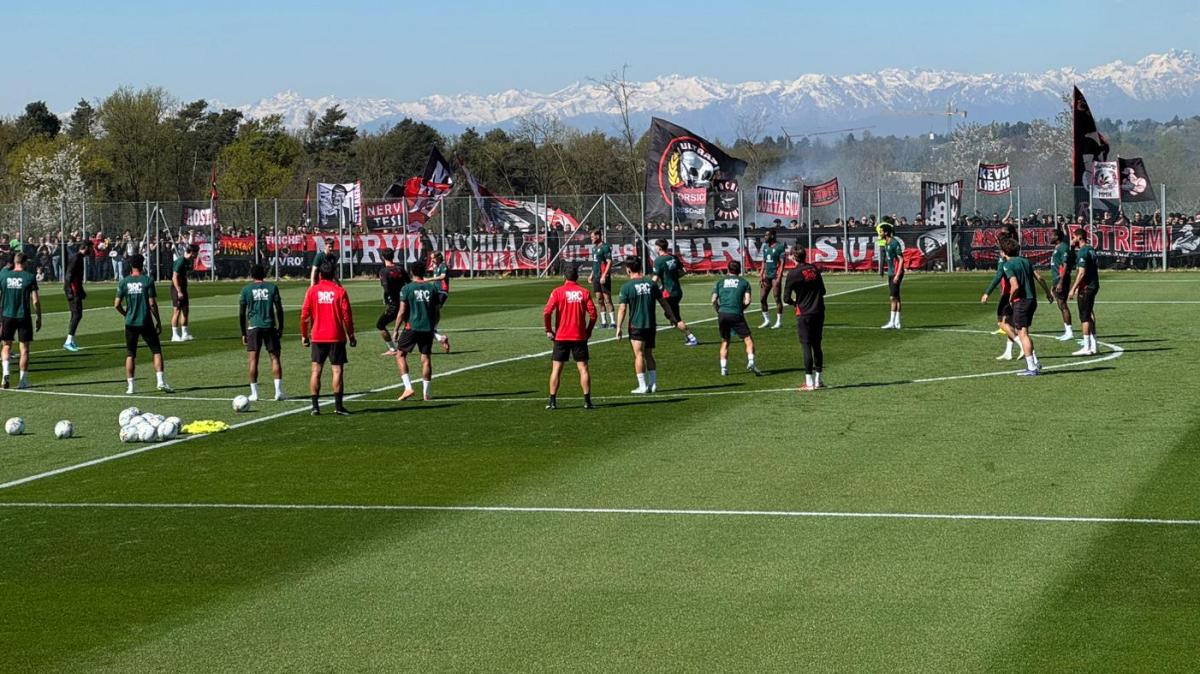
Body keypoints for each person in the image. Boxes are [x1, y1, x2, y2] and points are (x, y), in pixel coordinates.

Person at [615, 256, 681, 394]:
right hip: (651, 325)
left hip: (636, 325)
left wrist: (618, 328)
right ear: (640, 268)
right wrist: (673, 317)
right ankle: (653, 384)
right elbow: (663, 302)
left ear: (628, 270)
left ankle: (642, 386)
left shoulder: (627, 287)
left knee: (639, 355)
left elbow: (622, 309)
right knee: (649, 354)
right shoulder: (651, 284)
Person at [300, 261, 355, 416]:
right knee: (337, 370)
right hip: (336, 336)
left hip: (317, 336)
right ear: (334, 275)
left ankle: (315, 407)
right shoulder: (340, 291)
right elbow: (347, 316)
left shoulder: (312, 291)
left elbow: (304, 316)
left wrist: (304, 335)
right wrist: (351, 335)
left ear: (319, 274)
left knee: (316, 370)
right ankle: (338, 406)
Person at [114, 254, 172, 394]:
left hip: (130, 323)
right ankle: (160, 382)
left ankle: (131, 387)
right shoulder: (147, 280)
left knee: (130, 354)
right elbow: (152, 304)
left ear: (131, 265)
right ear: (142, 264)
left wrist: (126, 314)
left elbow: (116, 304)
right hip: (145, 321)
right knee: (156, 350)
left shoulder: (124, 282)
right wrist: (158, 320)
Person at [543, 265, 597, 410]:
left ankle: (552, 401)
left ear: (564, 277)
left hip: (561, 336)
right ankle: (587, 401)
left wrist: (548, 330)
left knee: (556, 369)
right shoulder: (584, 292)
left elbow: (547, 312)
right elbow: (593, 314)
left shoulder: (557, 292)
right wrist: (589, 330)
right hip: (579, 336)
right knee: (583, 369)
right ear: (577, 277)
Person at [999, 237, 1052, 376]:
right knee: (1025, 333)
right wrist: (1048, 293)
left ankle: (1031, 368)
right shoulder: (1026, 261)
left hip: (1021, 301)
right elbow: (1040, 278)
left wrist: (1010, 299)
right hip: (1032, 300)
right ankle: (1035, 362)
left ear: (1004, 252)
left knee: (1022, 334)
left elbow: (1015, 285)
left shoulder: (1008, 265)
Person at [393, 261, 440, 402]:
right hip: (427, 328)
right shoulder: (432, 288)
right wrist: (433, 325)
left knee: (400, 355)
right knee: (426, 359)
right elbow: (437, 312)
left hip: (411, 327)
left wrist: (395, 329)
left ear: (412, 272)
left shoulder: (407, 288)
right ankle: (426, 394)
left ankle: (408, 387)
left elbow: (402, 312)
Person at [239, 264, 285, 402]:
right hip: (269, 326)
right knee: (275, 358)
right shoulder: (272, 287)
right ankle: (278, 392)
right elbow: (279, 309)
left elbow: (242, 312)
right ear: (264, 274)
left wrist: (243, 332)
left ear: (252, 275)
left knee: (253, 360)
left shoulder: (246, 289)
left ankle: (254, 394)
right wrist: (281, 326)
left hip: (253, 327)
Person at [783, 246, 826, 391]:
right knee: (817, 345)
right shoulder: (813, 269)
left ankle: (809, 382)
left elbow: (786, 298)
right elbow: (823, 291)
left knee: (806, 345)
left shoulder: (793, 274)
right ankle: (819, 380)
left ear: (794, 257)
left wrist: (796, 303)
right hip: (819, 310)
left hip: (804, 313)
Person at [711, 260, 762, 376]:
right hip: (736, 313)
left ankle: (723, 368)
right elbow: (748, 300)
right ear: (739, 270)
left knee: (725, 340)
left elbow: (713, 300)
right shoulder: (744, 282)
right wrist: (741, 308)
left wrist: (718, 310)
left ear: (728, 269)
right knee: (748, 339)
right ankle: (751, 362)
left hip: (722, 313)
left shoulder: (720, 282)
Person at [0, 253, 41, 390]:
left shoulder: (4, 275)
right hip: (23, 316)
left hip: (7, 315)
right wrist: (39, 317)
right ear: (25, 262)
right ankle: (23, 381)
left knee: (6, 346)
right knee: (24, 349)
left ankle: (6, 372)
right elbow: (35, 300)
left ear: (14, 262)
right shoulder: (29, 277)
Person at [980, 227, 1020, 361]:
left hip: (1008, 294)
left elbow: (998, 277)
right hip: (1015, 293)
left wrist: (987, 293)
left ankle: (1021, 343)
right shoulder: (1015, 256)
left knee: (1001, 323)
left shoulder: (1004, 259)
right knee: (1009, 322)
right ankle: (1008, 351)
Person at [650, 239, 698, 346]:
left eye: (655, 246)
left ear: (659, 248)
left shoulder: (659, 261)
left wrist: (649, 287)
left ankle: (691, 337)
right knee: (669, 314)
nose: (655, 248)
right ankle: (685, 334)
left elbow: (655, 278)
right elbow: (683, 272)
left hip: (668, 293)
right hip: (677, 291)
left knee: (675, 318)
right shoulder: (673, 257)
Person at [1069, 228, 1100, 356]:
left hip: (1086, 287)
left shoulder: (1082, 251)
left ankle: (1087, 347)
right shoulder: (1091, 249)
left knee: (1084, 317)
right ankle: (1094, 345)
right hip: (1094, 285)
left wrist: (1073, 288)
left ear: (1079, 237)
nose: (1072, 240)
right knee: (1089, 313)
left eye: (1074, 237)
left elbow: (1081, 272)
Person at [375, 248, 410, 355]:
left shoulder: (384, 271)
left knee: (380, 325)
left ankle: (392, 348)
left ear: (382, 257)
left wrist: (387, 299)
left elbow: (386, 288)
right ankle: (437, 338)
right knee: (410, 324)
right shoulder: (400, 269)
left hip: (394, 304)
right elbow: (409, 283)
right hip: (406, 301)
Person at [63, 238, 91, 352]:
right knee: (77, 315)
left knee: (76, 315)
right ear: (85, 247)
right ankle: (68, 341)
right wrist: (69, 291)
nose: (91, 251)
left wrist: (81, 290)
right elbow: (69, 276)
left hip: (76, 290)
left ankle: (71, 340)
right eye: (90, 248)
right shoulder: (76, 258)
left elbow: (76, 278)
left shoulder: (79, 258)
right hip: (73, 291)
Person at [1049, 229, 1076, 341]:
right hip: (1057, 279)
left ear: (1057, 237)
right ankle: (1067, 330)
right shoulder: (1057, 248)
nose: (1050, 237)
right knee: (1060, 304)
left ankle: (1069, 331)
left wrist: (1060, 281)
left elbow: (1065, 265)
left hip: (1062, 279)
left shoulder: (1063, 247)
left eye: (1052, 235)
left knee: (1063, 304)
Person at [758, 228, 787, 329]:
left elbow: (782, 263)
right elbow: (764, 261)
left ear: (772, 236)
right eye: (765, 235)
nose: (765, 237)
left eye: (767, 235)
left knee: (777, 298)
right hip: (767, 276)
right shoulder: (765, 247)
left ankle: (779, 322)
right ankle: (767, 320)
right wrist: (761, 273)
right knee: (762, 298)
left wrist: (779, 276)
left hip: (775, 276)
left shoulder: (780, 247)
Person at [169, 244, 197, 342]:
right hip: (177, 289)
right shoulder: (181, 261)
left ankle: (185, 333)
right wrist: (179, 291)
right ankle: (175, 335)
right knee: (177, 311)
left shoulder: (187, 261)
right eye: (196, 252)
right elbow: (174, 277)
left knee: (185, 311)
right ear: (192, 252)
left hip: (183, 288)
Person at [587, 229, 614, 328]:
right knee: (599, 299)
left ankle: (613, 321)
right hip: (596, 277)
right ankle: (603, 321)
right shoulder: (594, 248)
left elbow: (609, 262)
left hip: (603, 277)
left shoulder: (605, 247)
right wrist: (591, 275)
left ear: (598, 236)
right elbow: (595, 264)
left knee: (607, 299)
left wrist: (604, 275)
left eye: (592, 237)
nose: (591, 239)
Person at [425, 251, 452, 353]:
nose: (432, 260)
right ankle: (438, 334)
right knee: (433, 311)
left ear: (439, 257)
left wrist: (429, 279)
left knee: (434, 310)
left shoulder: (443, 265)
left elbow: (442, 277)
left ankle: (434, 329)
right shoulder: (435, 266)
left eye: (433, 258)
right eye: (431, 258)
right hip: (436, 292)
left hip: (442, 292)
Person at [880, 222, 904, 329]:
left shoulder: (894, 243)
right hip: (890, 272)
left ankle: (892, 322)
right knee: (896, 298)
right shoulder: (885, 243)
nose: (879, 233)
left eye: (881, 231)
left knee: (892, 297)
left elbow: (901, 259)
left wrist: (897, 274)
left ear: (886, 232)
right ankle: (897, 322)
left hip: (895, 273)